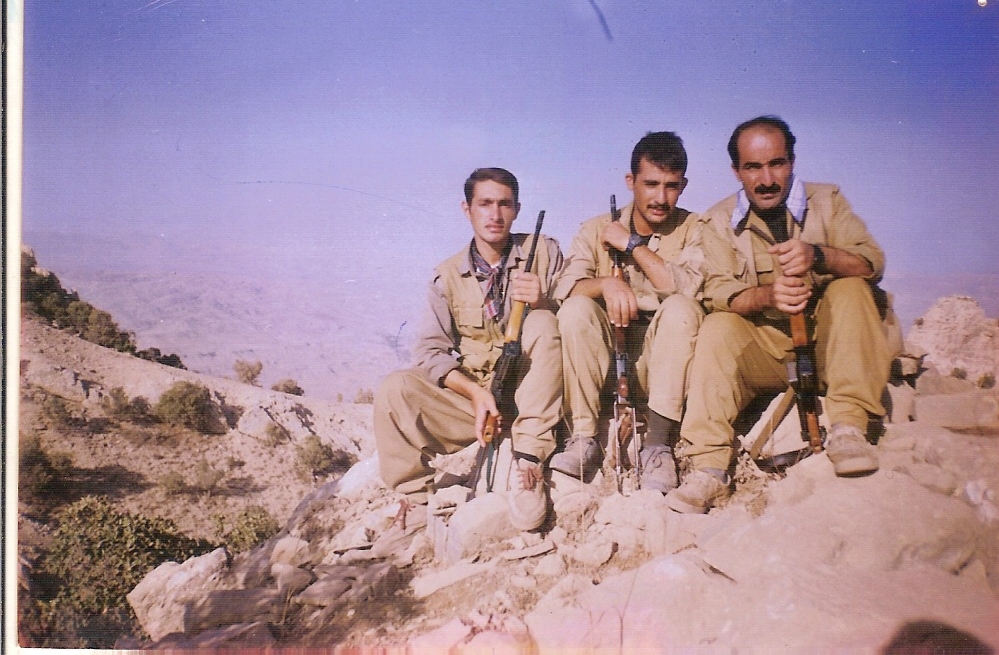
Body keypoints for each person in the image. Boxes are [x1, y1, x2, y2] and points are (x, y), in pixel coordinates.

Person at [666, 115, 895, 514]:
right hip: (769, 349)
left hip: (832, 345)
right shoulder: (718, 222)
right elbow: (720, 292)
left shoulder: (827, 202)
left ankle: (848, 428)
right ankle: (709, 467)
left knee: (852, 288)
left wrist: (818, 255)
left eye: (777, 164)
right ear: (737, 171)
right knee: (718, 326)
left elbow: (871, 262)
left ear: (792, 162)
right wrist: (767, 296)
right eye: (753, 167)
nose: (767, 179)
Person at [372, 167, 564, 553]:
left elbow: (576, 315)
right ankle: (415, 500)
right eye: (485, 204)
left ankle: (529, 465)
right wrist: (474, 394)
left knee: (543, 322)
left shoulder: (544, 252)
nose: (495, 214)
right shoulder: (446, 277)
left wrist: (545, 301)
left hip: (536, 392)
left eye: (504, 204)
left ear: (517, 209)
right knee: (396, 389)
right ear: (467, 209)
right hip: (481, 405)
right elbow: (430, 352)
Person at [550, 132, 705, 492]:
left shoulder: (695, 228)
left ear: (683, 186)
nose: (660, 198)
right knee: (576, 309)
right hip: (606, 363)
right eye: (651, 184)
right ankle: (583, 438)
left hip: (664, 366)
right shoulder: (594, 229)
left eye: (671, 186)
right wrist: (605, 284)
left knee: (681, 308)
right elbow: (564, 288)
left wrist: (632, 245)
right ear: (630, 181)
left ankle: (657, 446)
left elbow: (687, 288)